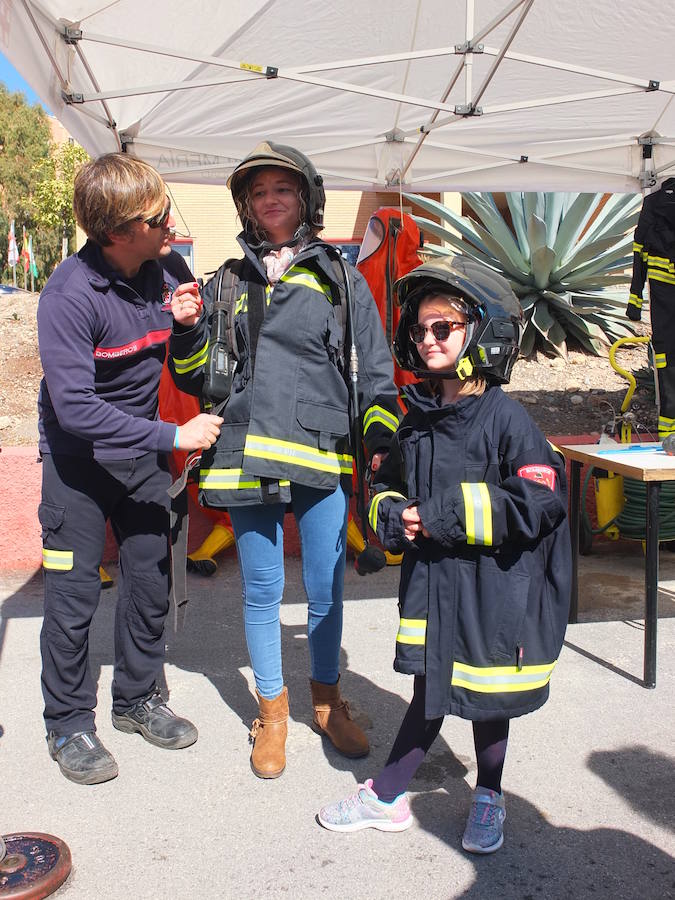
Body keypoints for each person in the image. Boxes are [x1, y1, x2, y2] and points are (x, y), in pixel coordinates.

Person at [317, 256, 571, 853]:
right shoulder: (418, 418)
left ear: (479, 335)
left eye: (444, 328)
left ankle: (488, 795)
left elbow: (541, 497)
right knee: (432, 686)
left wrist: (441, 517)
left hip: (492, 587)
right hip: (436, 585)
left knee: (487, 693)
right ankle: (387, 797)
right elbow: (388, 488)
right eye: (421, 330)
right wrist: (390, 517)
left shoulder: (506, 418)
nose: (428, 339)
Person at [168, 140, 400, 779]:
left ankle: (326, 702)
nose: (270, 201)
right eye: (259, 192)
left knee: (327, 588)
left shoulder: (341, 277)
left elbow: (374, 376)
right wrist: (187, 328)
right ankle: (272, 713)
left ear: (306, 199)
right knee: (263, 589)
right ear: (245, 204)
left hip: (319, 455)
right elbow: (196, 378)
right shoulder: (225, 281)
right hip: (243, 455)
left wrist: (379, 451)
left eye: (283, 190)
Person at [37, 153, 223, 785]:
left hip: (141, 458)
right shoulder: (67, 297)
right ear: (117, 232)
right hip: (77, 465)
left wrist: (189, 328)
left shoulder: (165, 265)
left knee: (147, 585)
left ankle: (138, 701)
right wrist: (174, 432)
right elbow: (77, 410)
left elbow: (188, 361)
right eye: (157, 215)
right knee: (71, 598)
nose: (170, 220)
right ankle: (68, 725)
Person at [627, 178, 675, 439]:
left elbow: (639, 252)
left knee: (666, 360)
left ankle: (668, 430)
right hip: (663, 299)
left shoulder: (654, 203)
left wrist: (635, 299)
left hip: (663, 301)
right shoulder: (654, 204)